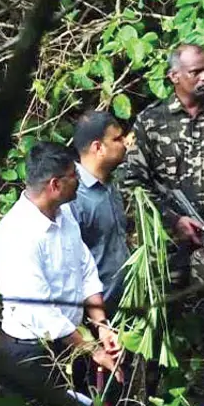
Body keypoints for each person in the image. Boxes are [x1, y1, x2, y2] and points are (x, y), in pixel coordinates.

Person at [121, 43, 204, 406]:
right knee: (157, 325)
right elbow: (132, 184)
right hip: (168, 248)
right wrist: (173, 220)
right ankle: (143, 405)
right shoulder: (151, 120)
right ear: (174, 77)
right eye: (196, 72)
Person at [0, 141, 123, 406]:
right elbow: (41, 312)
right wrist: (92, 350)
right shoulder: (18, 234)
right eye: (74, 176)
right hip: (32, 352)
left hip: (68, 344)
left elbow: (85, 270)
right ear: (55, 185)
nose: (79, 181)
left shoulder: (65, 217)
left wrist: (102, 326)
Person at [69, 111, 130, 316]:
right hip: (98, 314)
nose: (125, 143)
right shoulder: (73, 196)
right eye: (117, 139)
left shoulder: (112, 184)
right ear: (98, 148)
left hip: (126, 304)